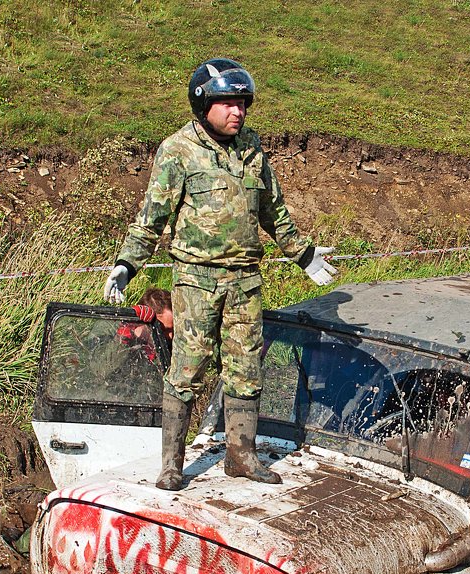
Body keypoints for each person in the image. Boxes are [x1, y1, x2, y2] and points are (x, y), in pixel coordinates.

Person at [103, 58, 337, 491]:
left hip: (245, 280)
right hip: (197, 280)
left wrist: (303, 255)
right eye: (227, 103)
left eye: (243, 103)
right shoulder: (178, 151)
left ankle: (241, 456)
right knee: (187, 369)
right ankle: (172, 464)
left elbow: (273, 210)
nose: (238, 112)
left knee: (247, 368)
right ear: (203, 103)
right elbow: (150, 217)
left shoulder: (252, 148)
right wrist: (126, 264)